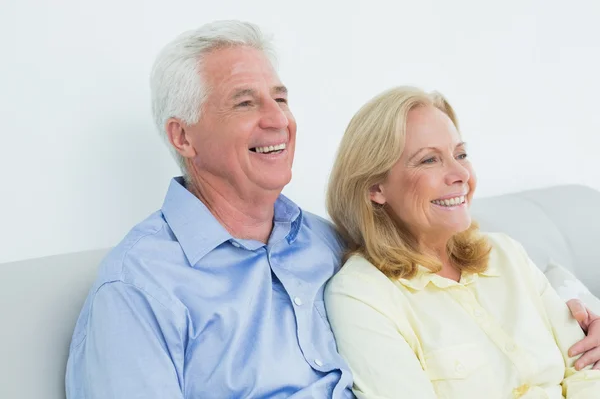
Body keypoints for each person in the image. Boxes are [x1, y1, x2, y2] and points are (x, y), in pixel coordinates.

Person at [65, 21, 600, 398]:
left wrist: (574, 302)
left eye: (281, 98)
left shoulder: (321, 242)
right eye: (245, 102)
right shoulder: (139, 288)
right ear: (183, 136)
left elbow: (454, 270)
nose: (279, 120)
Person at [324, 86, 600, 398]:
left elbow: (588, 370)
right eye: (429, 160)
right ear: (375, 187)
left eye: (461, 154)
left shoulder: (506, 254)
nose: (460, 173)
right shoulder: (361, 295)